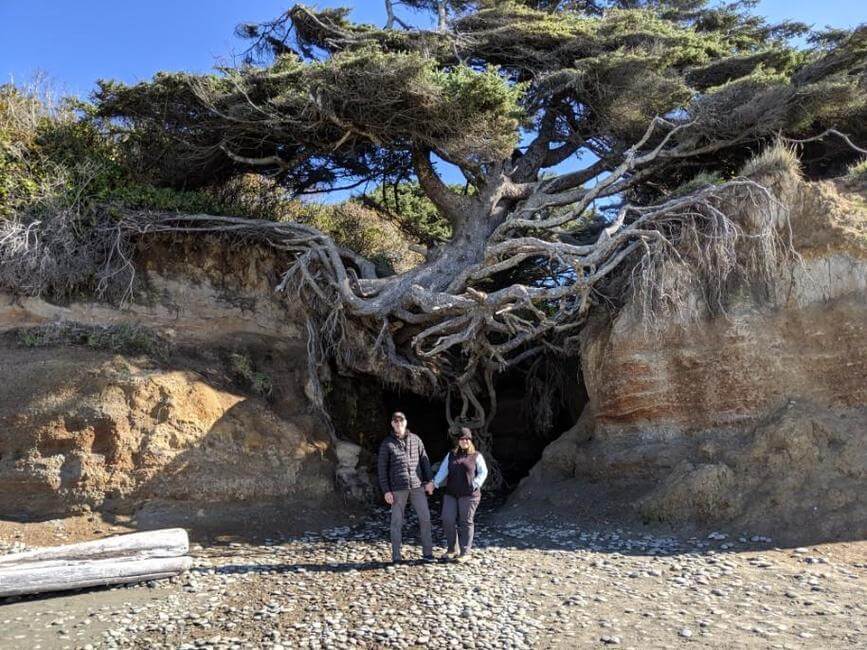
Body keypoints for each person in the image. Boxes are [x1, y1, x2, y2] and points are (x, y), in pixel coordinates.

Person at [377, 411, 436, 563]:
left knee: (425, 518)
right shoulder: (387, 444)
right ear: (392, 423)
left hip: (417, 486)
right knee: (396, 522)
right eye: (395, 421)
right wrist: (386, 491)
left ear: (405, 422)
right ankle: (396, 556)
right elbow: (382, 470)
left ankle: (428, 554)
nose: (398, 423)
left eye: (401, 420)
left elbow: (425, 462)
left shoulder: (416, 440)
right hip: (398, 488)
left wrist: (430, 481)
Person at [432, 427, 488, 562]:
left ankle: (465, 552)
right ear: (458, 441)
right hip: (451, 493)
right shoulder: (451, 455)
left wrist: (476, 484)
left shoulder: (476, 456)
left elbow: (483, 472)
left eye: (467, 439)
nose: (464, 441)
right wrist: (434, 484)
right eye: (462, 439)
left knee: (466, 522)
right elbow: (443, 471)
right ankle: (452, 549)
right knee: (447, 519)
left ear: (470, 440)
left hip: (469, 495)